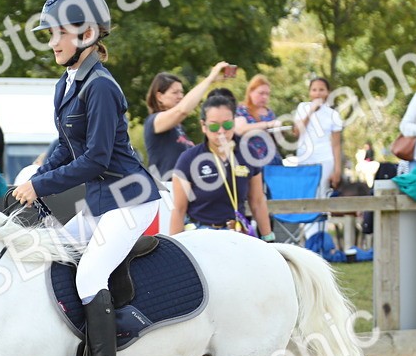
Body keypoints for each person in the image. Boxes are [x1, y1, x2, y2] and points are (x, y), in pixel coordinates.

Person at [14, 0, 160, 356]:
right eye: (51, 33)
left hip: (131, 199)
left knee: (88, 276)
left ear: (88, 33)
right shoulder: (67, 84)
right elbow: (66, 145)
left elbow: (96, 157)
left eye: (59, 32)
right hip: (102, 201)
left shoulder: (101, 87)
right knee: (54, 254)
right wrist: (33, 179)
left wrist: (42, 187)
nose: (53, 41)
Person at [169, 94, 275, 241]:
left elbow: (257, 201)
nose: (221, 131)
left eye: (227, 125)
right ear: (203, 126)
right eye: (213, 126)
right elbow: (179, 210)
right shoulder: (189, 159)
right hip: (200, 234)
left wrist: (269, 238)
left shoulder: (248, 153)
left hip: (238, 233)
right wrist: (174, 248)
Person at [143, 62, 232, 180]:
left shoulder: (178, 128)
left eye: (182, 92)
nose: (180, 96)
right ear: (159, 96)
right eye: (175, 92)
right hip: (166, 190)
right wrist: (210, 79)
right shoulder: (154, 121)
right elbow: (182, 110)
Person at [292, 77, 345, 195]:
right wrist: (311, 111)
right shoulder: (302, 107)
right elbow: (296, 132)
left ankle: (322, 214)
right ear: (310, 92)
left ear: (327, 92)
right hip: (304, 158)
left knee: (321, 192)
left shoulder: (333, 114)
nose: (318, 93)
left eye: (321, 90)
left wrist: (337, 169)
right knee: (304, 192)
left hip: (325, 160)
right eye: (314, 90)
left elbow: (336, 144)